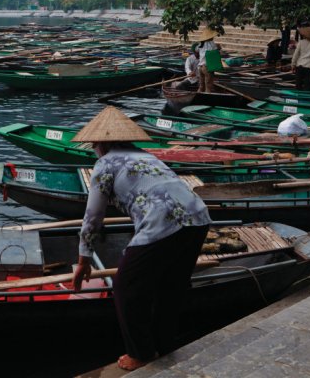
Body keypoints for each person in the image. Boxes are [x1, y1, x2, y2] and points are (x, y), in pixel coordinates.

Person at [72, 107, 211, 372]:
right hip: (199, 216)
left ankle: (141, 353)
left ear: (100, 144)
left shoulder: (104, 163)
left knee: (125, 285)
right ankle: (164, 345)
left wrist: (83, 259)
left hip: (165, 220)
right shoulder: (145, 155)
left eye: (94, 146)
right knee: (170, 288)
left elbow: (93, 216)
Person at [291, 26, 310, 90]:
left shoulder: (301, 42)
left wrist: (293, 65)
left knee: (298, 85)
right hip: (309, 68)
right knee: (307, 86)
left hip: (299, 66)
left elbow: (295, 55)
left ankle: (297, 98)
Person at [195, 27, 219, 93]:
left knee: (201, 86)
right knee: (208, 86)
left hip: (200, 67)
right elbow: (216, 52)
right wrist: (218, 48)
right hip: (207, 67)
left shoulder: (200, 45)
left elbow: (196, 50)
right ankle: (207, 98)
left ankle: (197, 96)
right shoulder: (212, 44)